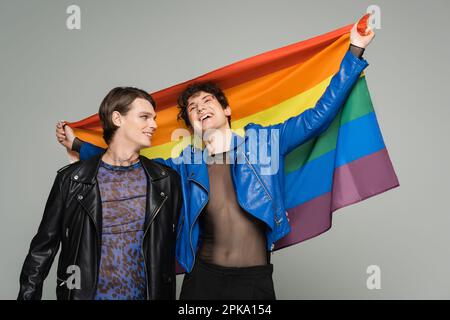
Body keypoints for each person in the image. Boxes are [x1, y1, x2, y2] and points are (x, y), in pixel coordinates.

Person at [57, 21, 375, 299]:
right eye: (193, 108)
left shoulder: (266, 142)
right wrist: (79, 145)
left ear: (226, 110)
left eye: (208, 101)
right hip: (203, 280)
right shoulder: (183, 165)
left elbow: (317, 117)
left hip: (255, 281)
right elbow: (127, 161)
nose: (201, 108)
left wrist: (354, 51)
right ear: (191, 125)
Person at [19, 87, 182, 300]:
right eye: (144, 117)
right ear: (117, 118)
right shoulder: (72, 180)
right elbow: (41, 251)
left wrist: (78, 145)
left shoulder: (165, 180)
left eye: (154, 118)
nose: (154, 124)